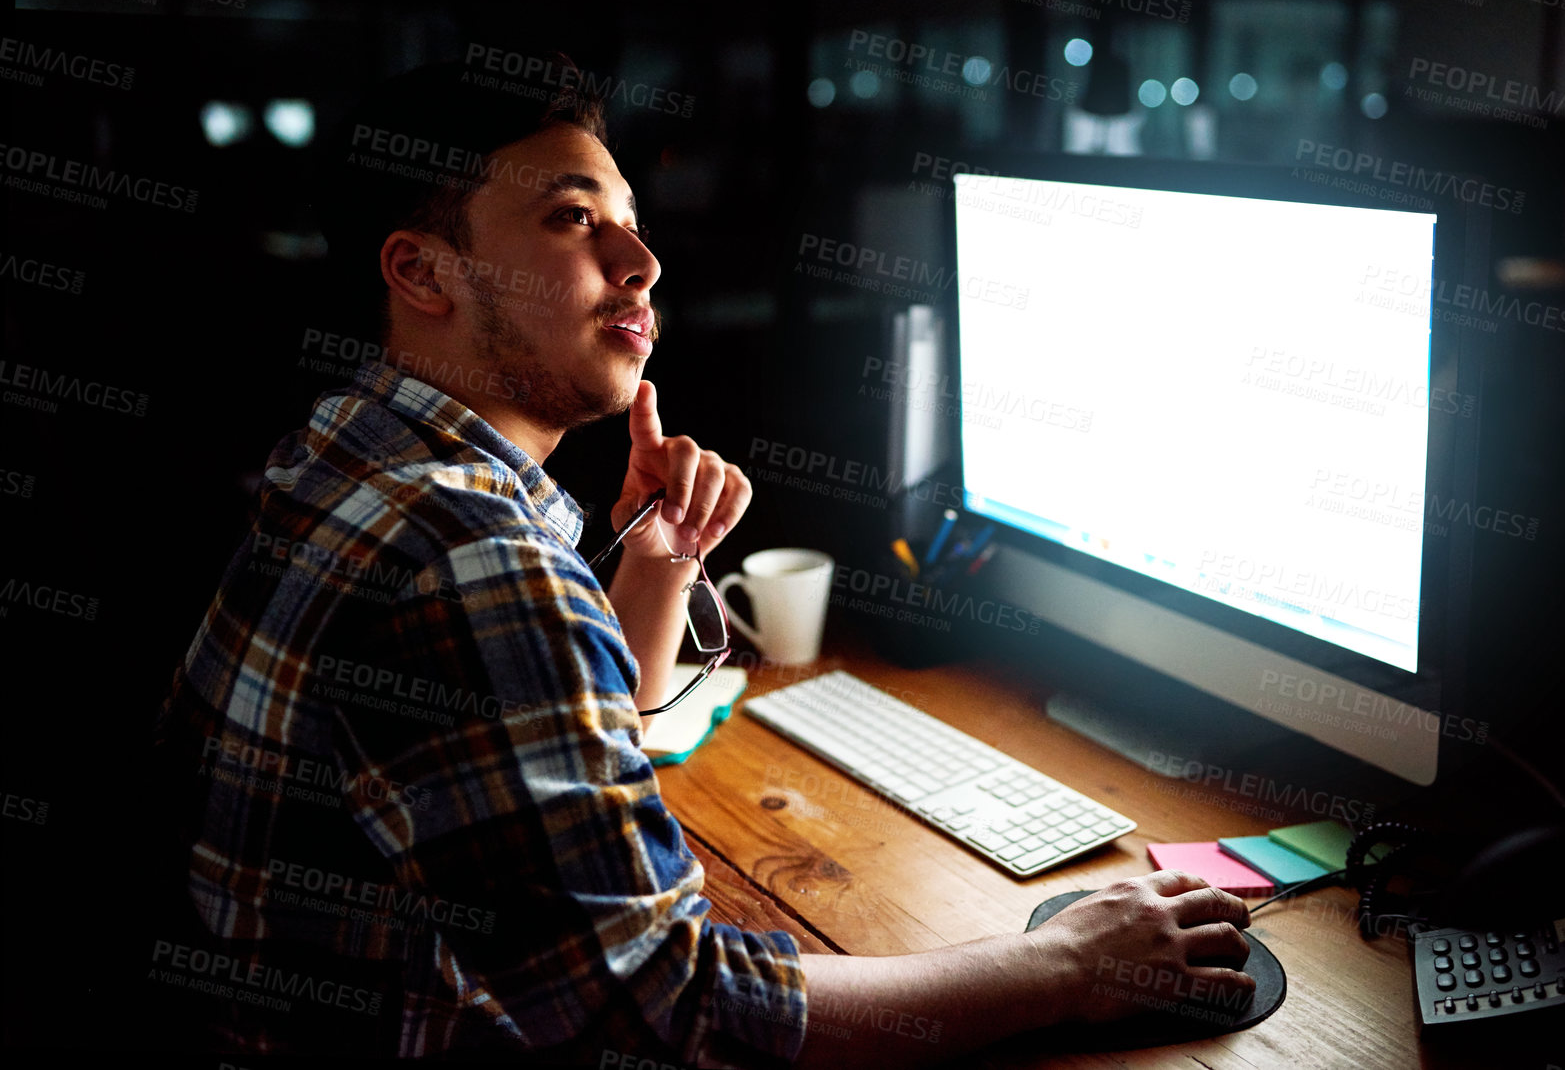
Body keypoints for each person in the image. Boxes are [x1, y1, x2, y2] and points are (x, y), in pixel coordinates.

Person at [150, 55, 1255, 1069]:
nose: (641, 261)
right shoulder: (473, 556)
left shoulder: (343, 455)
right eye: (572, 220)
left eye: (628, 223)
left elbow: (528, 765)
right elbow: (665, 1009)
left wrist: (655, 566)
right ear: (422, 272)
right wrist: (1062, 966)